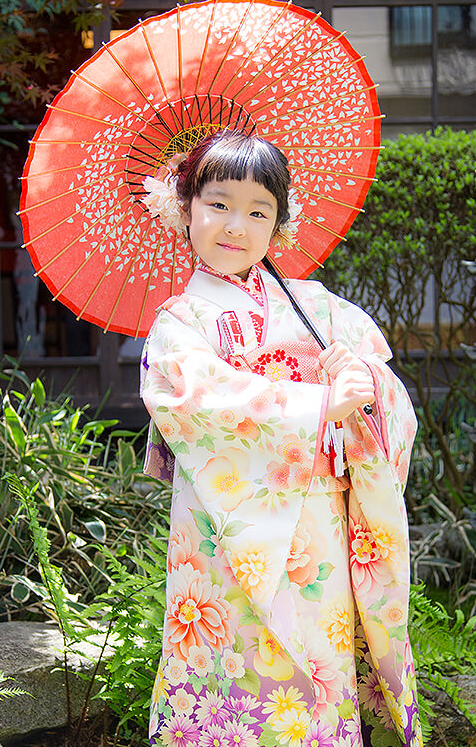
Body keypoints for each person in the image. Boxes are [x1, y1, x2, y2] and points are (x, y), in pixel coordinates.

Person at [140, 129, 421, 747]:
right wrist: (320, 403)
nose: (235, 225)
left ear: (279, 226)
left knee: (316, 664)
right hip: (223, 527)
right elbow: (197, 400)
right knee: (229, 657)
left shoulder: (318, 308)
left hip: (316, 524)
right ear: (184, 206)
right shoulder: (179, 321)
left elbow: (381, 384)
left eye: (257, 210)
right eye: (217, 203)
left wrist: (361, 381)